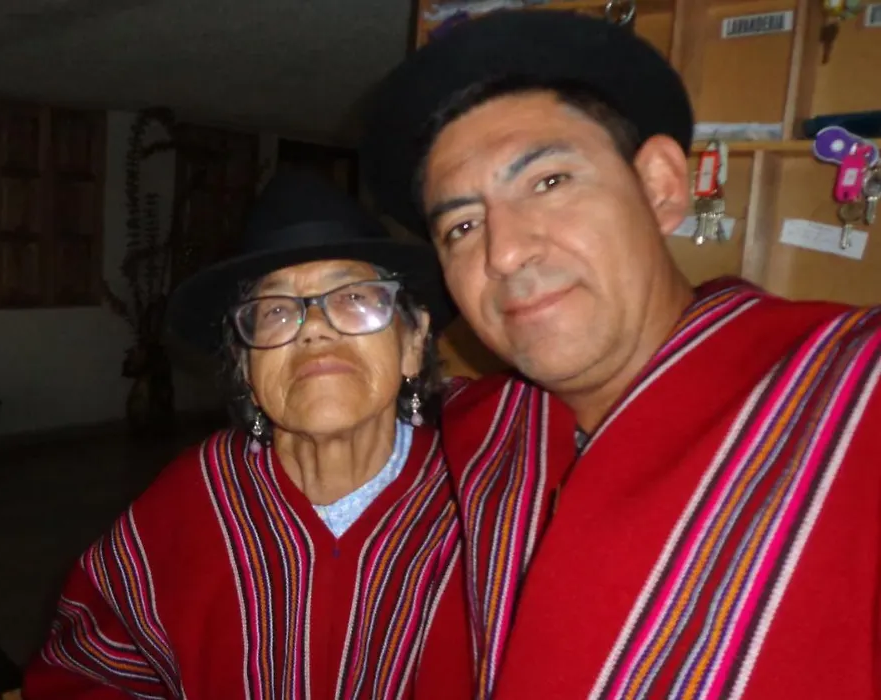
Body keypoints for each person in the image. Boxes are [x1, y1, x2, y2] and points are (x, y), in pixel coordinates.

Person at [359, 10, 881, 700]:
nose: (504, 251)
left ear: (660, 186)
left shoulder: (855, 393)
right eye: (462, 225)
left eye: (549, 182)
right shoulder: (478, 437)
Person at [20, 171, 472, 699]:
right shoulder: (193, 497)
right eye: (275, 311)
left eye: (354, 297)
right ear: (248, 371)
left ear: (413, 342)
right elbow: (85, 674)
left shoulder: (474, 501)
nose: (315, 328)